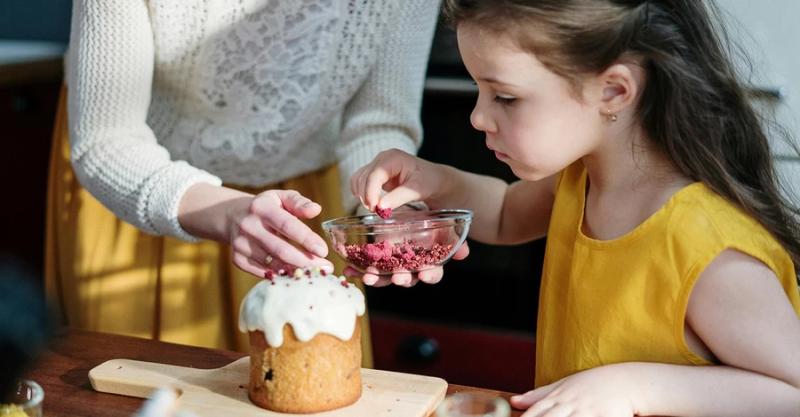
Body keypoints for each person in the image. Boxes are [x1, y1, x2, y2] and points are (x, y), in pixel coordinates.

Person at [351, 0, 800, 414]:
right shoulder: (578, 180)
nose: (478, 117)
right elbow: (505, 213)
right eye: (479, 90)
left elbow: (792, 392)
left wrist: (637, 387)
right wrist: (436, 181)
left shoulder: (708, 250)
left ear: (614, 91)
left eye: (504, 96)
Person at [45, 0, 442, 365]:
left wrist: (388, 208)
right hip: (148, 195)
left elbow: (379, 121)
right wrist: (224, 211)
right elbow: (106, 140)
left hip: (301, 211)